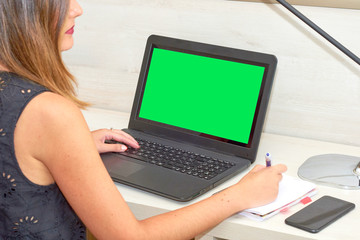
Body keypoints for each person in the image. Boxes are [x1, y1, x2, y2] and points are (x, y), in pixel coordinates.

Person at [0, 0, 287, 239]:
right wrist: (238, 197)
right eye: (61, 2)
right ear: (21, 14)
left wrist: (71, 147)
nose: (76, 9)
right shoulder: (49, 112)